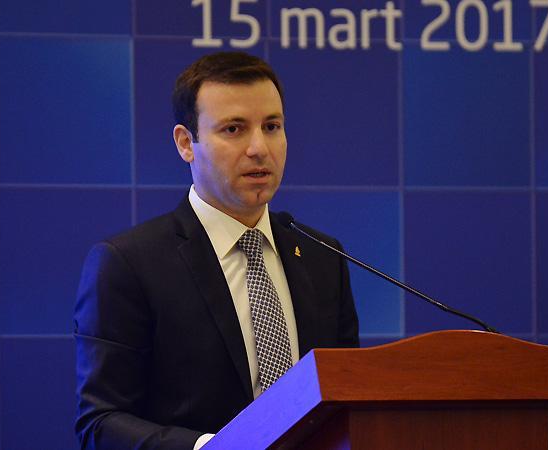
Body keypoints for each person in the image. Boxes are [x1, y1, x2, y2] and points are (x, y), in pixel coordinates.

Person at [74, 51, 359, 450]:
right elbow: (100, 423)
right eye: (234, 129)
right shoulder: (128, 265)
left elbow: (346, 401)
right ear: (185, 143)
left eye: (272, 126)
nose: (259, 148)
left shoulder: (323, 257)